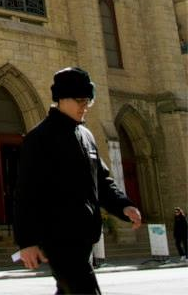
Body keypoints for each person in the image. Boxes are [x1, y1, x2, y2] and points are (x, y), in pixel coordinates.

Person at [14, 66, 142, 294]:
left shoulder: (86, 136)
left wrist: (124, 205)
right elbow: (26, 193)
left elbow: (102, 182)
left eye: (88, 101)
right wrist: (27, 241)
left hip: (85, 237)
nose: (85, 107)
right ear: (61, 99)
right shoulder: (39, 138)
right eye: (80, 100)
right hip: (58, 237)